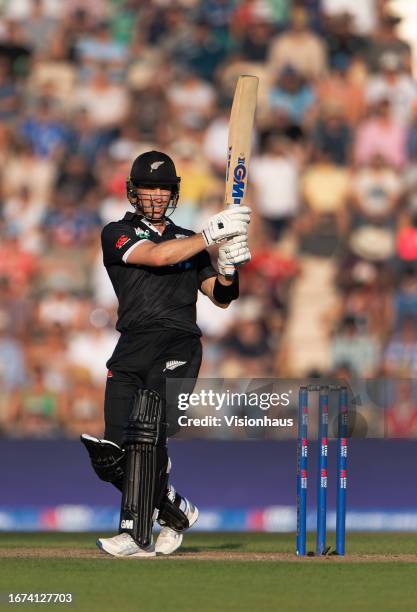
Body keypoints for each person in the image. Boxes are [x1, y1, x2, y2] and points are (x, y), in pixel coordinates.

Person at [80, 150, 251, 558]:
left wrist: (228, 266)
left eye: (163, 188)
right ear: (133, 192)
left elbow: (222, 298)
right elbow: (156, 256)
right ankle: (172, 508)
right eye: (147, 187)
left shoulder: (189, 240)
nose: (155, 195)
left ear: (173, 192)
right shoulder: (116, 233)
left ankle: (133, 535)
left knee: (147, 437)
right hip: (132, 346)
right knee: (112, 454)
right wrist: (209, 238)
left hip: (178, 345)